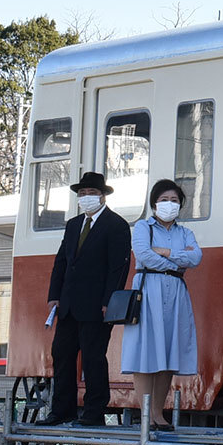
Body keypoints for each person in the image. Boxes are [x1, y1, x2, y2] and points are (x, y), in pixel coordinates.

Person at [42, 170, 131, 426]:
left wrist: (109, 301)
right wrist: (54, 295)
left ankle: (94, 412)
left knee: (93, 358)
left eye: (92, 193)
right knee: (62, 355)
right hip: (69, 304)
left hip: (97, 305)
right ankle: (61, 410)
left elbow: (118, 267)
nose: (86, 197)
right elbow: (61, 262)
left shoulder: (116, 225)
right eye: (82, 194)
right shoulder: (73, 225)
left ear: (103, 196)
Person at [120, 179, 202, 429]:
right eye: (164, 200)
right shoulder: (144, 227)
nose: (169, 204)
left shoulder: (186, 232)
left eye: (174, 200)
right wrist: (176, 262)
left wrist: (165, 252)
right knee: (146, 351)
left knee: (168, 352)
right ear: (154, 203)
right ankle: (146, 414)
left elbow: (196, 257)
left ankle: (158, 413)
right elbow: (143, 255)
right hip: (149, 290)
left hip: (175, 294)